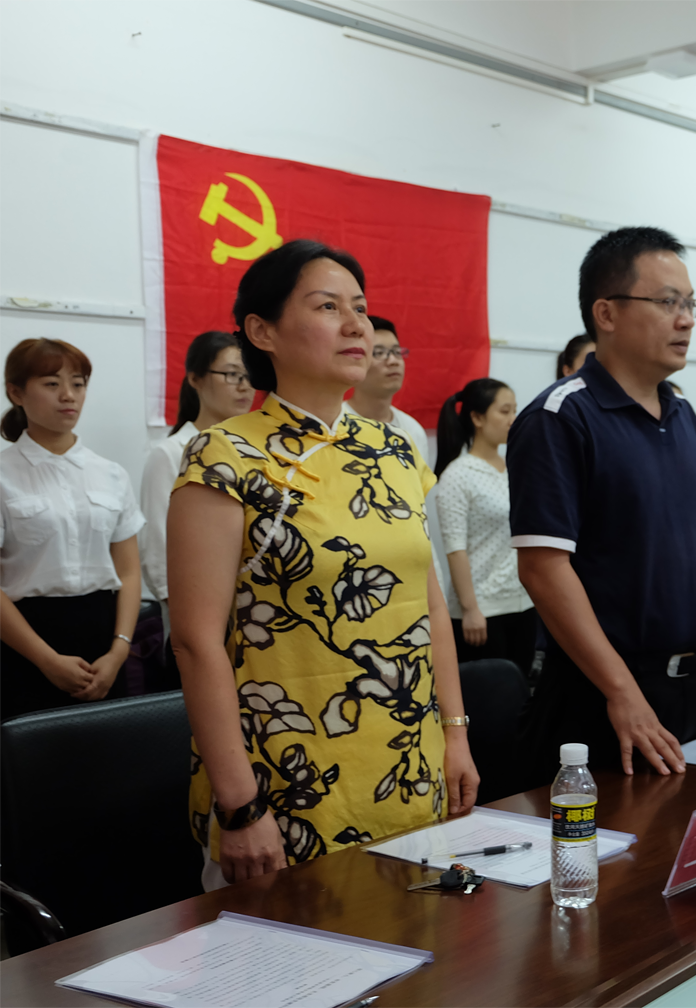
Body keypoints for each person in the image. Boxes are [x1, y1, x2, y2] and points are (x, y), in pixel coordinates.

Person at [168, 240, 477, 888]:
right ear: (262, 331)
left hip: (405, 765)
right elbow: (197, 642)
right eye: (328, 306)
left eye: (360, 309)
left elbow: (427, 604)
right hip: (284, 787)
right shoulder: (223, 456)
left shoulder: (392, 451)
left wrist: (454, 734)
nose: (356, 324)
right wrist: (240, 804)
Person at [506, 226, 696, 787]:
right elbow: (543, 568)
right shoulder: (560, 418)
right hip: (604, 694)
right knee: (615, 863)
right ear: (606, 312)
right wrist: (621, 690)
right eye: (668, 302)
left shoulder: (682, 412)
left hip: (695, 686)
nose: (687, 319)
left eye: (690, 303)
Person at [0, 338, 144, 720]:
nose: (68, 395)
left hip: (103, 637)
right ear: (16, 392)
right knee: (30, 768)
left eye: (78, 384)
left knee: (109, 762)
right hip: (22, 642)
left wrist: (118, 650)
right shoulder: (3, 475)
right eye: (51, 383)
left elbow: (129, 570)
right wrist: (46, 660)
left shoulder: (111, 474)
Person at [140, 331, 254, 625]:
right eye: (231, 374)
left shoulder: (257, 453)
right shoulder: (170, 453)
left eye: (248, 375)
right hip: (200, 620)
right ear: (195, 379)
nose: (244, 386)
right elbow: (157, 554)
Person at [434, 377, 536, 671]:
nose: (512, 419)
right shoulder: (459, 474)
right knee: (491, 702)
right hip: (482, 611)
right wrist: (470, 609)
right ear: (477, 417)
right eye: (504, 411)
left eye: (514, 410)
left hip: (523, 602)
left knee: (521, 697)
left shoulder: (514, 467)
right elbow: (455, 548)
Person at [346, 314, 428, 459]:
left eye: (397, 352)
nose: (393, 361)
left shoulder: (412, 430)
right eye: (379, 352)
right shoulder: (334, 424)